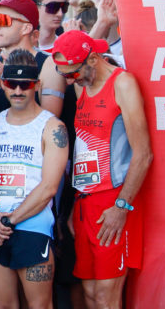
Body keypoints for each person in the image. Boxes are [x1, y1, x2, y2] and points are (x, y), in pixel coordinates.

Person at [51, 30, 152, 309]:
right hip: (85, 202)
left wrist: (122, 206)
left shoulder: (123, 83)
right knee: (91, 294)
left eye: (73, 73)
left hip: (115, 198)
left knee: (107, 296)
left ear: (93, 59)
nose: (70, 80)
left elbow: (143, 154)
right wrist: (75, 206)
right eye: (65, 75)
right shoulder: (81, 84)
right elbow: (84, 147)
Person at [0, 50, 67, 309]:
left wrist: (9, 221)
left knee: (39, 305)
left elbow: (49, 186)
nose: (17, 90)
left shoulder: (53, 127)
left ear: (36, 85)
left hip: (31, 226)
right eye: (10, 83)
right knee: (2, 305)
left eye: (24, 84)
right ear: (2, 84)